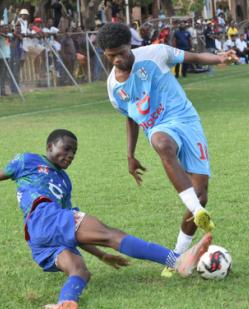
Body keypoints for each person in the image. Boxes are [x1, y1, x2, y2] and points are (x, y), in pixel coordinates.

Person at [0, 129, 212, 309]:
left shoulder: (64, 181)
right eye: (65, 149)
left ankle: (65, 304)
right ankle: (177, 260)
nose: (69, 155)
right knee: (110, 233)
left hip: (42, 237)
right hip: (42, 216)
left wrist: (101, 255)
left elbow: (74, 231)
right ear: (49, 146)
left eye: (73, 153)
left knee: (80, 271)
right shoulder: (28, 160)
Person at [97, 23, 237, 277]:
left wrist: (220, 57)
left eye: (121, 52)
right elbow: (131, 118)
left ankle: (177, 255)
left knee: (201, 193)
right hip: (159, 128)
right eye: (111, 54)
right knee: (162, 143)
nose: (118, 58)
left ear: (131, 45)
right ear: (105, 53)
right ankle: (197, 211)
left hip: (187, 121)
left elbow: (193, 56)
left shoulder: (155, 54)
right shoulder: (113, 89)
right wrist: (130, 154)